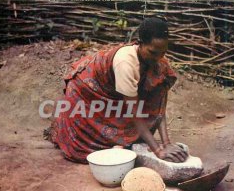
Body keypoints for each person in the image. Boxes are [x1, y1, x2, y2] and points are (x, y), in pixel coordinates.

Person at [49, 17, 188, 163]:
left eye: (163, 52)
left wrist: (167, 143)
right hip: (87, 90)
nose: (158, 57)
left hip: (114, 93)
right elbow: (134, 113)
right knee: (85, 146)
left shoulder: (157, 62)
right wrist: (158, 151)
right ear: (140, 44)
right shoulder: (126, 64)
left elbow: (159, 103)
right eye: (153, 52)